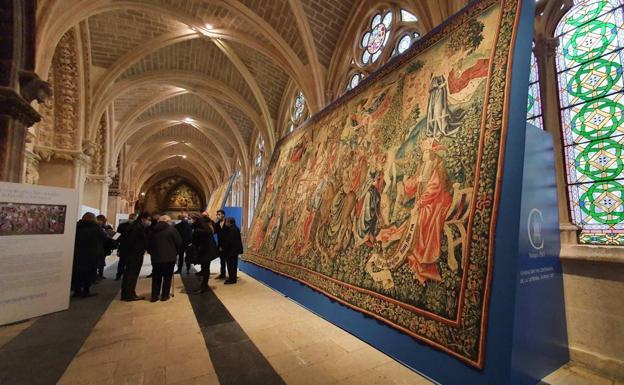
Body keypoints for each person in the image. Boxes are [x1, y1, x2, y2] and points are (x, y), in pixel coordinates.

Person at [72, 212, 107, 298]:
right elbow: (104, 238)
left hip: (78, 253)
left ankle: (77, 291)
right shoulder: (96, 227)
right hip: (92, 254)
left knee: (78, 273)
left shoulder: (77, 226)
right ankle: (86, 291)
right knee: (89, 274)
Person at [147, 215, 181, 302]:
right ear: (167, 221)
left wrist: (152, 253)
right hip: (169, 258)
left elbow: (148, 244)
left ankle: (154, 296)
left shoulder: (152, 230)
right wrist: (176, 252)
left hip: (156, 258)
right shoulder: (172, 230)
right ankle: (165, 296)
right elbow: (178, 243)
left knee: (156, 277)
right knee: (167, 277)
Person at [120, 212, 150, 301]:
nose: (148, 222)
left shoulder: (134, 225)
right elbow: (134, 241)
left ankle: (125, 294)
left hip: (131, 253)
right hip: (135, 254)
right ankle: (130, 295)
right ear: (143, 219)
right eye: (148, 219)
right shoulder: (138, 227)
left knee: (128, 274)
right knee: (132, 275)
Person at [191, 215, 217, 293]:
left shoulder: (199, 230)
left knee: (205, 269)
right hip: (209, 251)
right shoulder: (208, 228)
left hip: (204, 252)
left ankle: (204, 287)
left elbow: (195, 241)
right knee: (206, 269)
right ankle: (204, 285)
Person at [220, 217, 244, 284]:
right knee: (232, 265)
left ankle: (232, 280)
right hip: (233, 250)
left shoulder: (232, 230)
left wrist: (223, 247)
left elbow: (229, 241)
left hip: (231, 251)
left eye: (227, 222)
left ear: (230, 222)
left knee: (231, 266)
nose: (225, 223)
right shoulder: (234, 228)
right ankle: (232, 278)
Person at [115, 213, 136, 280]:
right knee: (122, 262)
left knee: (128, 262)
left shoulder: (136, 226)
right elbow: (116, 236)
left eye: (133, 218)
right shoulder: (122, 225)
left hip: (131, 247)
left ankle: (126, 275)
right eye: (131, 218)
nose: (131, 220)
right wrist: (117, 244)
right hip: (124, 246)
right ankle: (119, 274)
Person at [96, 215, 115, 280]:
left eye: (101, 220)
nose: (100, 221)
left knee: (102, 261)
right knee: (97, 261)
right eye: (98, 220)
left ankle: (100, 274)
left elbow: (116, 236)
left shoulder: (107, 227)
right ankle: (96, 275)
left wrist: (110, 233)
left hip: (105, 247)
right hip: (97, 247)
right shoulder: (95, 227)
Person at [145, 212, 161, 278]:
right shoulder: (157, 226)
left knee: (155, 261)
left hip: (153, 247)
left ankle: (155, 272)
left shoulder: (151, 226)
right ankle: (156, 272)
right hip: (157, 246)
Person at [214, 209, 227, 279]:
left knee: (229, 261)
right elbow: (214, 232)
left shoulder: (228, 222)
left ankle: (232, 275)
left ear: (223, 215)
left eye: (219, 214)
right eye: (217, 215)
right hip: (220, 244)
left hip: (228, 245)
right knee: (222, 260)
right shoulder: (217, 224)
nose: (218, 216)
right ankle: (223, 274)